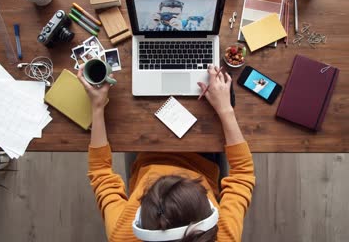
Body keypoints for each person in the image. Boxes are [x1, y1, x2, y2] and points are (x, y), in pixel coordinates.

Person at [78, 65, 255, 242]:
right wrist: (225, 109)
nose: (171, 173)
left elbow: (101, 174)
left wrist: (98, 106)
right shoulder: (225, 236)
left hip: (145, 161)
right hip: (203, 162)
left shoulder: (121, 236)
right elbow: (242, 173)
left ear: (138, 221)